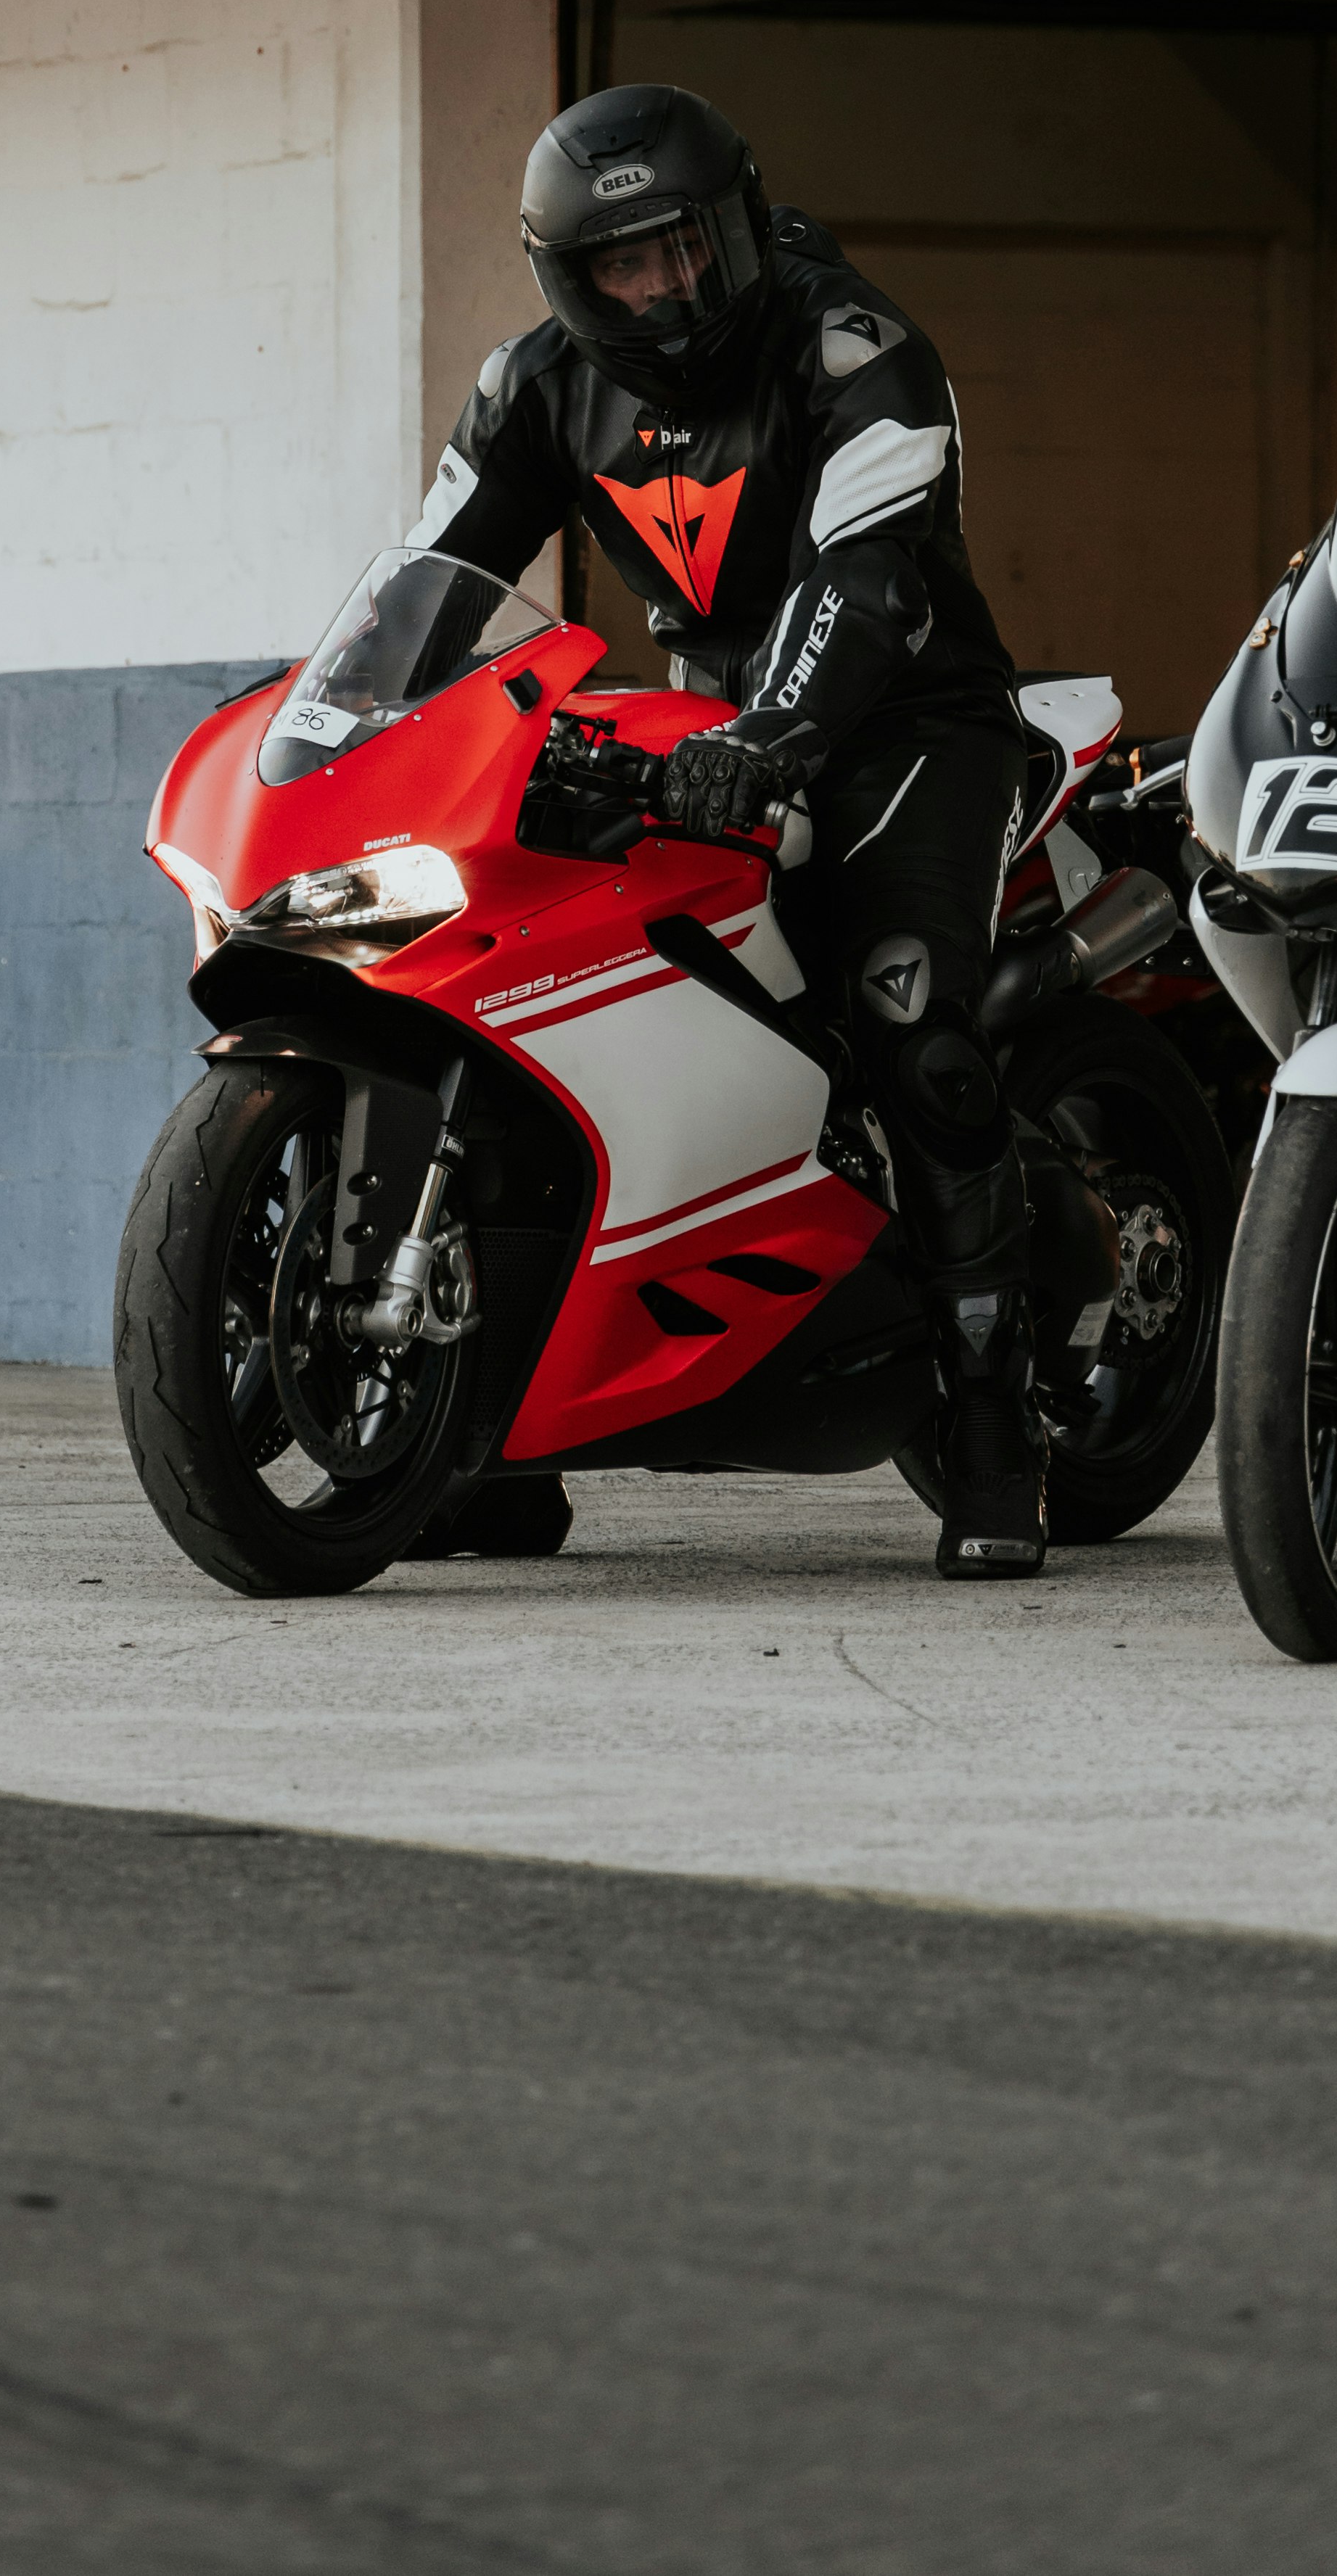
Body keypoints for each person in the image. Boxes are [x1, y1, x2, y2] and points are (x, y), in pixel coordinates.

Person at [412, 80, 1045, 1577]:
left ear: (737, 227)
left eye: (681, 250)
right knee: (510, 1010)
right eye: (620, 266)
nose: (659, 287)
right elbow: (432, 581)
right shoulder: (532, 387)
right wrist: (357, 720)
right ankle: (494, 1443)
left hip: (907, 726)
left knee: (910, 1024)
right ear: (569, 279)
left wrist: (774, 737)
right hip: (698, 737)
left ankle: (994, 1428)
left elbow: (870, 579)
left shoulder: (857, 350)